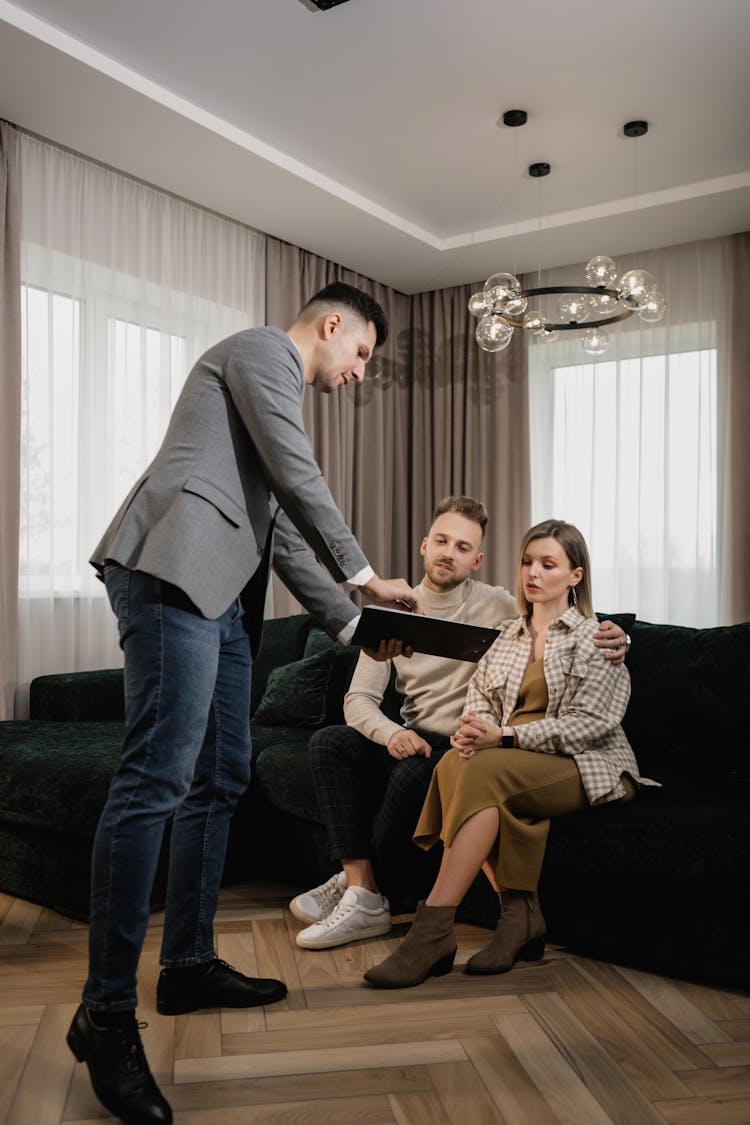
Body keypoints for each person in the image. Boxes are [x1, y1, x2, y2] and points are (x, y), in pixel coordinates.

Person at [66, 282, 421, 1125]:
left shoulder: (268, 400)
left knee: (222, 774)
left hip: (226, 597)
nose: (358, 374)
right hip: (172, 570)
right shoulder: (264, 351)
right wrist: (368, 574)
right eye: (363, 353)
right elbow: (299, 481)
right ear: (333, 325)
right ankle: (105, 1016)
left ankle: (186, 963)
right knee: (155, 778)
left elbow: (283, 530)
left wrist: (355, 629)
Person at [290, 501, 630, 952]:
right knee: (329, 743)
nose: (449, 553)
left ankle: (367, 894)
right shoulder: (394, 613)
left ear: (478, 560)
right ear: (425, 545)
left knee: (426, 770)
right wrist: (392, 734)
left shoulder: (501, 606)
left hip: (463, 741)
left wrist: (621, 636)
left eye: (463, 547)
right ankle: (361, 885)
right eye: (443, 541)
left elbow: (562, 616)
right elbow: (359, 701)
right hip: (410, 735)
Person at [362, 518, 660, 990]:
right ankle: (519, 918)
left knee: (483, 773)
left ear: (575, 576)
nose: (533, 573)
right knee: (455, 762)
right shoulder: (503, 636)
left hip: (589, 764)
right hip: (511, 759)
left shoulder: (597, 638)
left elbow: (591, 727)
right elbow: (478, 703)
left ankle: (432, 932)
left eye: (548, 564)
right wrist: (470, 733)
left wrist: (502, 737)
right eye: (527, 562)